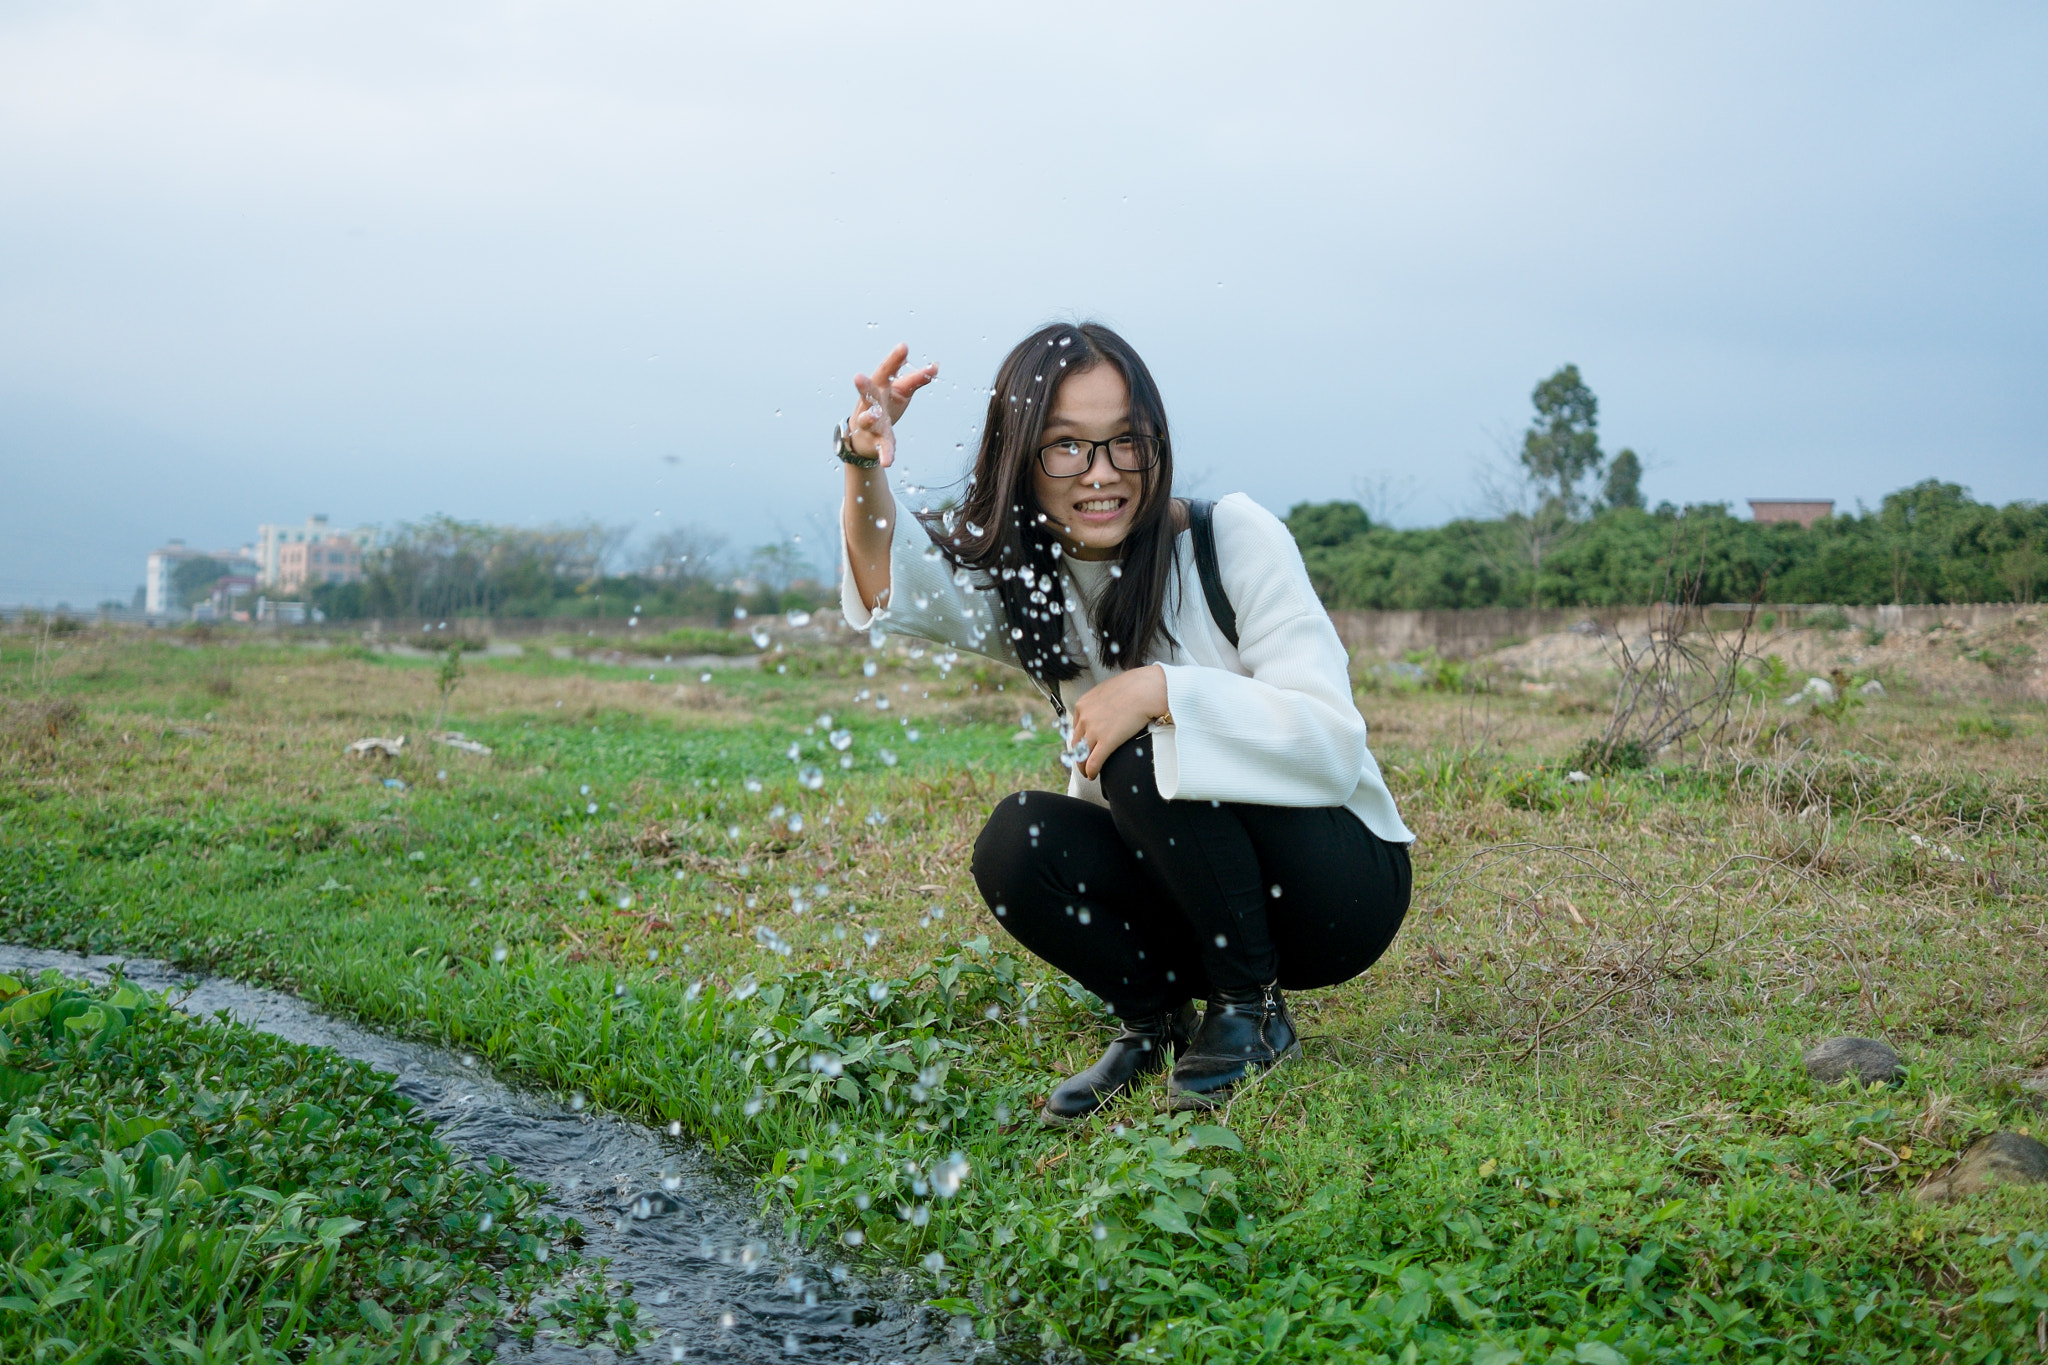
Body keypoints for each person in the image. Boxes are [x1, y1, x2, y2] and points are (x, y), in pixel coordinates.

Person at [837, 322, 1412, 1122]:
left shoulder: (1230, 537)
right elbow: (886, 580)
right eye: (1067, 447)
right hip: (1191, 887)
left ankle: (1253, 1011)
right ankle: (1152, 1020)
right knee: (1017, 841)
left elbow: (1332, 744)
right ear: (1020, 457)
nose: (1101, 474)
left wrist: (1162, 689)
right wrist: (863, 464)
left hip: (1336, 888)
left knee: (1142, 749)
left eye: (1124, 443)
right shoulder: (1028, 582)